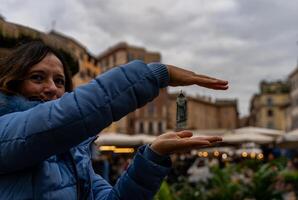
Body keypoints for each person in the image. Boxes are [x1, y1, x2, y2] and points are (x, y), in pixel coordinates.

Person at [0, 40, 228, 200]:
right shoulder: (5, 130)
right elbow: (63, 117)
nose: (51, 88)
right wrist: (157, 75)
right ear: (12, 81)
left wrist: (153, 156)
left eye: (60, 81)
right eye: (37, 77)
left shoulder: (73, 156)